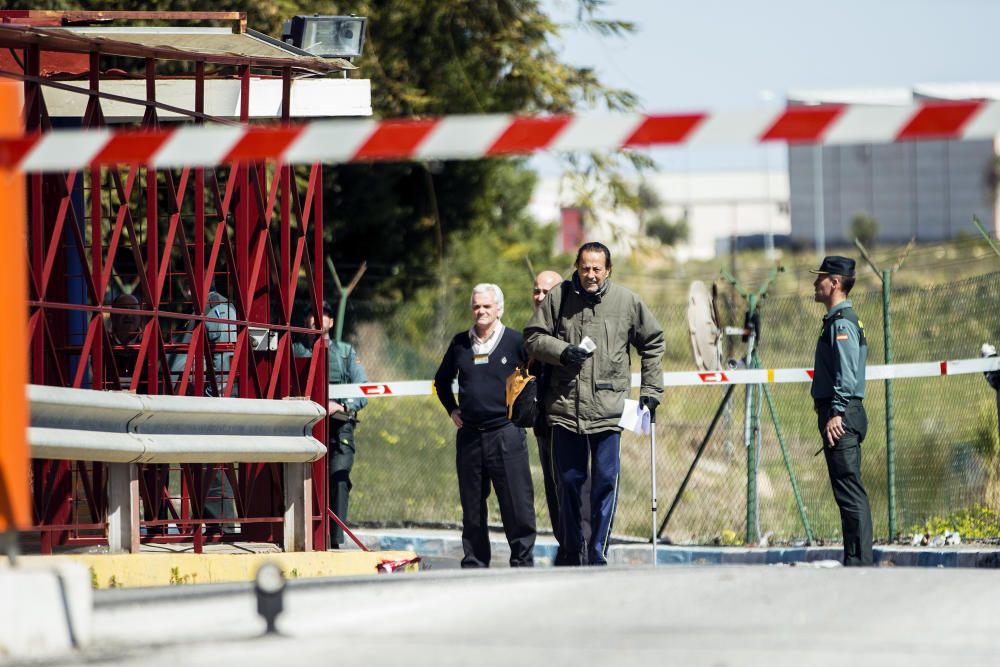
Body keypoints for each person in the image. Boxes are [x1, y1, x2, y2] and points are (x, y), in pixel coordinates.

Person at [524, 242, 665, 566]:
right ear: (576, 266)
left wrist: (651, 390)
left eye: (597, 269)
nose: (590, 275)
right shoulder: (559, 297)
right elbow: (532, 336)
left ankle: (599, 548)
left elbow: (654, 341)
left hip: (609, 408)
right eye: (585, 268)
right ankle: (573, 549)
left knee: (604, 482)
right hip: (565, 408)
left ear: (608, 270)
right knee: (569, 483)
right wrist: (561, 351)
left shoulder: (627, 302)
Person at [434, 283, 536, 567]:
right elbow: (441, 380)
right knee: (472, 506)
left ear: (498, 309)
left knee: (517, 504)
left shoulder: (516, 341)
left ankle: (523, 561)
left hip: (506, 433)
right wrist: (451, 408)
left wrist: (526, 413)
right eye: (476, 306)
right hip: (469, 437)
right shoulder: (459, 343)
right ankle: (475, 562)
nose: (481, 311)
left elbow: (535, 377)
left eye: (487, 306)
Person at [810, 255, 873, 567]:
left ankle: (860, 561)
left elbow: (847, 375)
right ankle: (854, 558)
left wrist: (836, 412)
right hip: (841, 412)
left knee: (850, 489)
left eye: (820, 277)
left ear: (834, 283)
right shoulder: (837, 321)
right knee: (845, 491)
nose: (814, 283)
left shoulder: (843, 323)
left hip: (842, 415)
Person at [294, 300, 368, 548]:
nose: (317, 318)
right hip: (305, 427)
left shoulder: (346, 353)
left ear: (331, 321)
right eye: (312, 314)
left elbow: (363, 390)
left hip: (339, 428)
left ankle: (334, 541)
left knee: (338, 477)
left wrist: (343, 406)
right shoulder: (295, 351)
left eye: (324, 314)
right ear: (305, 321)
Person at [530, 269, 591, 565]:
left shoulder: (571, 330)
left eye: (547, 291)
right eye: (537, 291)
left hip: (571, 421)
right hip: (544, 426)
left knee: (575, 487)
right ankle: (566, 547)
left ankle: (584, 550)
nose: (541, 297)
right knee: (555, 491)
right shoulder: (532, 335)